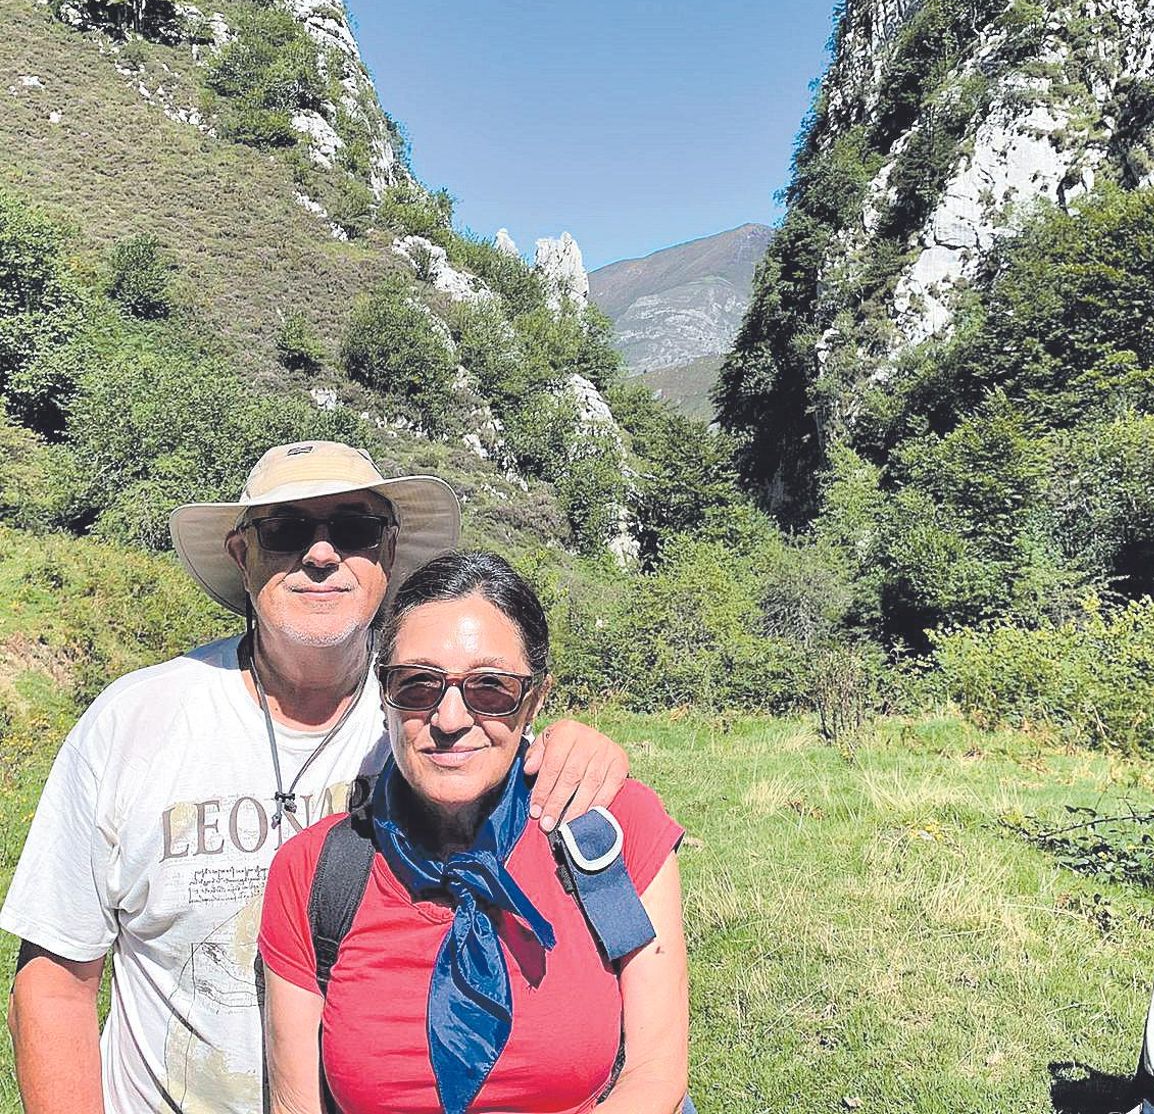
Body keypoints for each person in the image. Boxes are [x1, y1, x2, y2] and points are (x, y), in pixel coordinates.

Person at [2, 441, 631, 1114]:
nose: (322, 554)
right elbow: (57, 978)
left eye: (355, 530)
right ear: (243, 556)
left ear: (389, 554)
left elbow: (529, 778)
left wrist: (578, 749)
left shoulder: (432, 722)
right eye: (287, 529)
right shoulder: (131, 723)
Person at [258, 549, 688, 1114]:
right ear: (383, 695)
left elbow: (655, 1075)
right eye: (418, 685)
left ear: (533, 699)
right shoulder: (314, 871)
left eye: (490, 688)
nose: (451, 719)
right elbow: (295, 1106)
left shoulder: (610, 829)